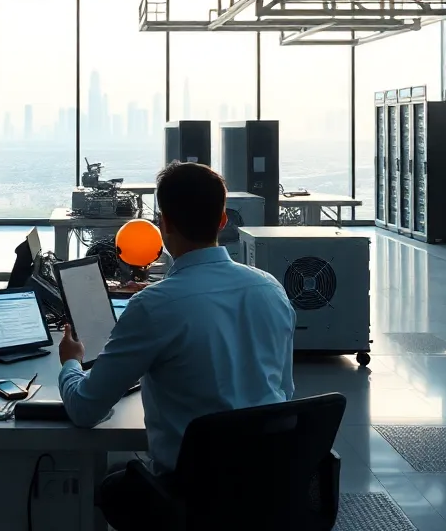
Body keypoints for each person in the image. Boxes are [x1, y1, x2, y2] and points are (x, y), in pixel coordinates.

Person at [57, 161, 296, 531]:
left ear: (162, 224)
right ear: (221, 221)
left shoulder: (155, 305)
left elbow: (86, 409)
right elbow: (284, 390)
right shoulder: (271, 290)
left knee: (113, 484)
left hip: (192, 497)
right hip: (269, 486)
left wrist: (70, 363)